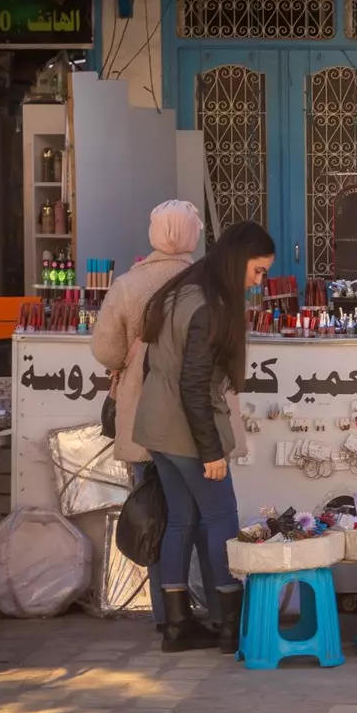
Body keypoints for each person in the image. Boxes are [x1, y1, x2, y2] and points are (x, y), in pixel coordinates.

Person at [132, 221, 276, 656]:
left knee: (180, 519)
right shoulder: (210, 306)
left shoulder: (181, 291)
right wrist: (210, 451)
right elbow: (194, 384)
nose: (259, 281)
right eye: (257, 271)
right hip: (188, 432)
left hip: (157, 426)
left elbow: (154, 364)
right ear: (237, 262)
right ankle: (232, 623)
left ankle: (178, 625)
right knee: (221, 519)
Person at [91, 201, 211, 649]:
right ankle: (214, 611)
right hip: (195, 417)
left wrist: (132, 358)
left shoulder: (128, 284)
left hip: (143, 414)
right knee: (203, 515)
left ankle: (169, 616)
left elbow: (106, 351)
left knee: (157, 516)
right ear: (193, 234)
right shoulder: (206, 282)